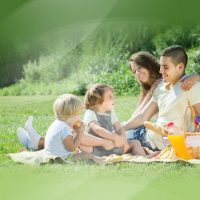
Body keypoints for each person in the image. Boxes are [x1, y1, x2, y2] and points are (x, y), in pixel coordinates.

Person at [123, 45, 200, 151]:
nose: (160, 71)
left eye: (165, 67)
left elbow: (199, 117)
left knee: (109, 141)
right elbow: (141, 116)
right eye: (161, 66)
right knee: (109, 134)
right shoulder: (160, 86)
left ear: (180, 67)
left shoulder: (190, 85)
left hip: (152, 140)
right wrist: (119, 130)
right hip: (146, 133)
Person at [17, 94, 115, 163]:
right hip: (62, 158)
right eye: (78, 114)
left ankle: (34, 142)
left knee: (82, 151)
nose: (79, 117)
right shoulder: (64, 128)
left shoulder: (57, 123)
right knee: (85, 155)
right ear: (71, 115)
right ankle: (100, 160)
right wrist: (80, 132)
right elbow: (72, 147)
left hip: (50, 153)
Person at [83, 83, 159, 157]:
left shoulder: (110, 112)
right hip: (94, 148)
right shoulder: (90, 113)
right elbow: (97, 129)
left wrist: (123, 140)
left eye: (113, 96)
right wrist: (115, 137)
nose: (114, 98)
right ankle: (93, 156)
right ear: (98, 100)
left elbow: (119, 128)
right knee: (83, 145)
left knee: (135, 143)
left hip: (110, 147)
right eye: (110, 97)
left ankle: (143, 157)